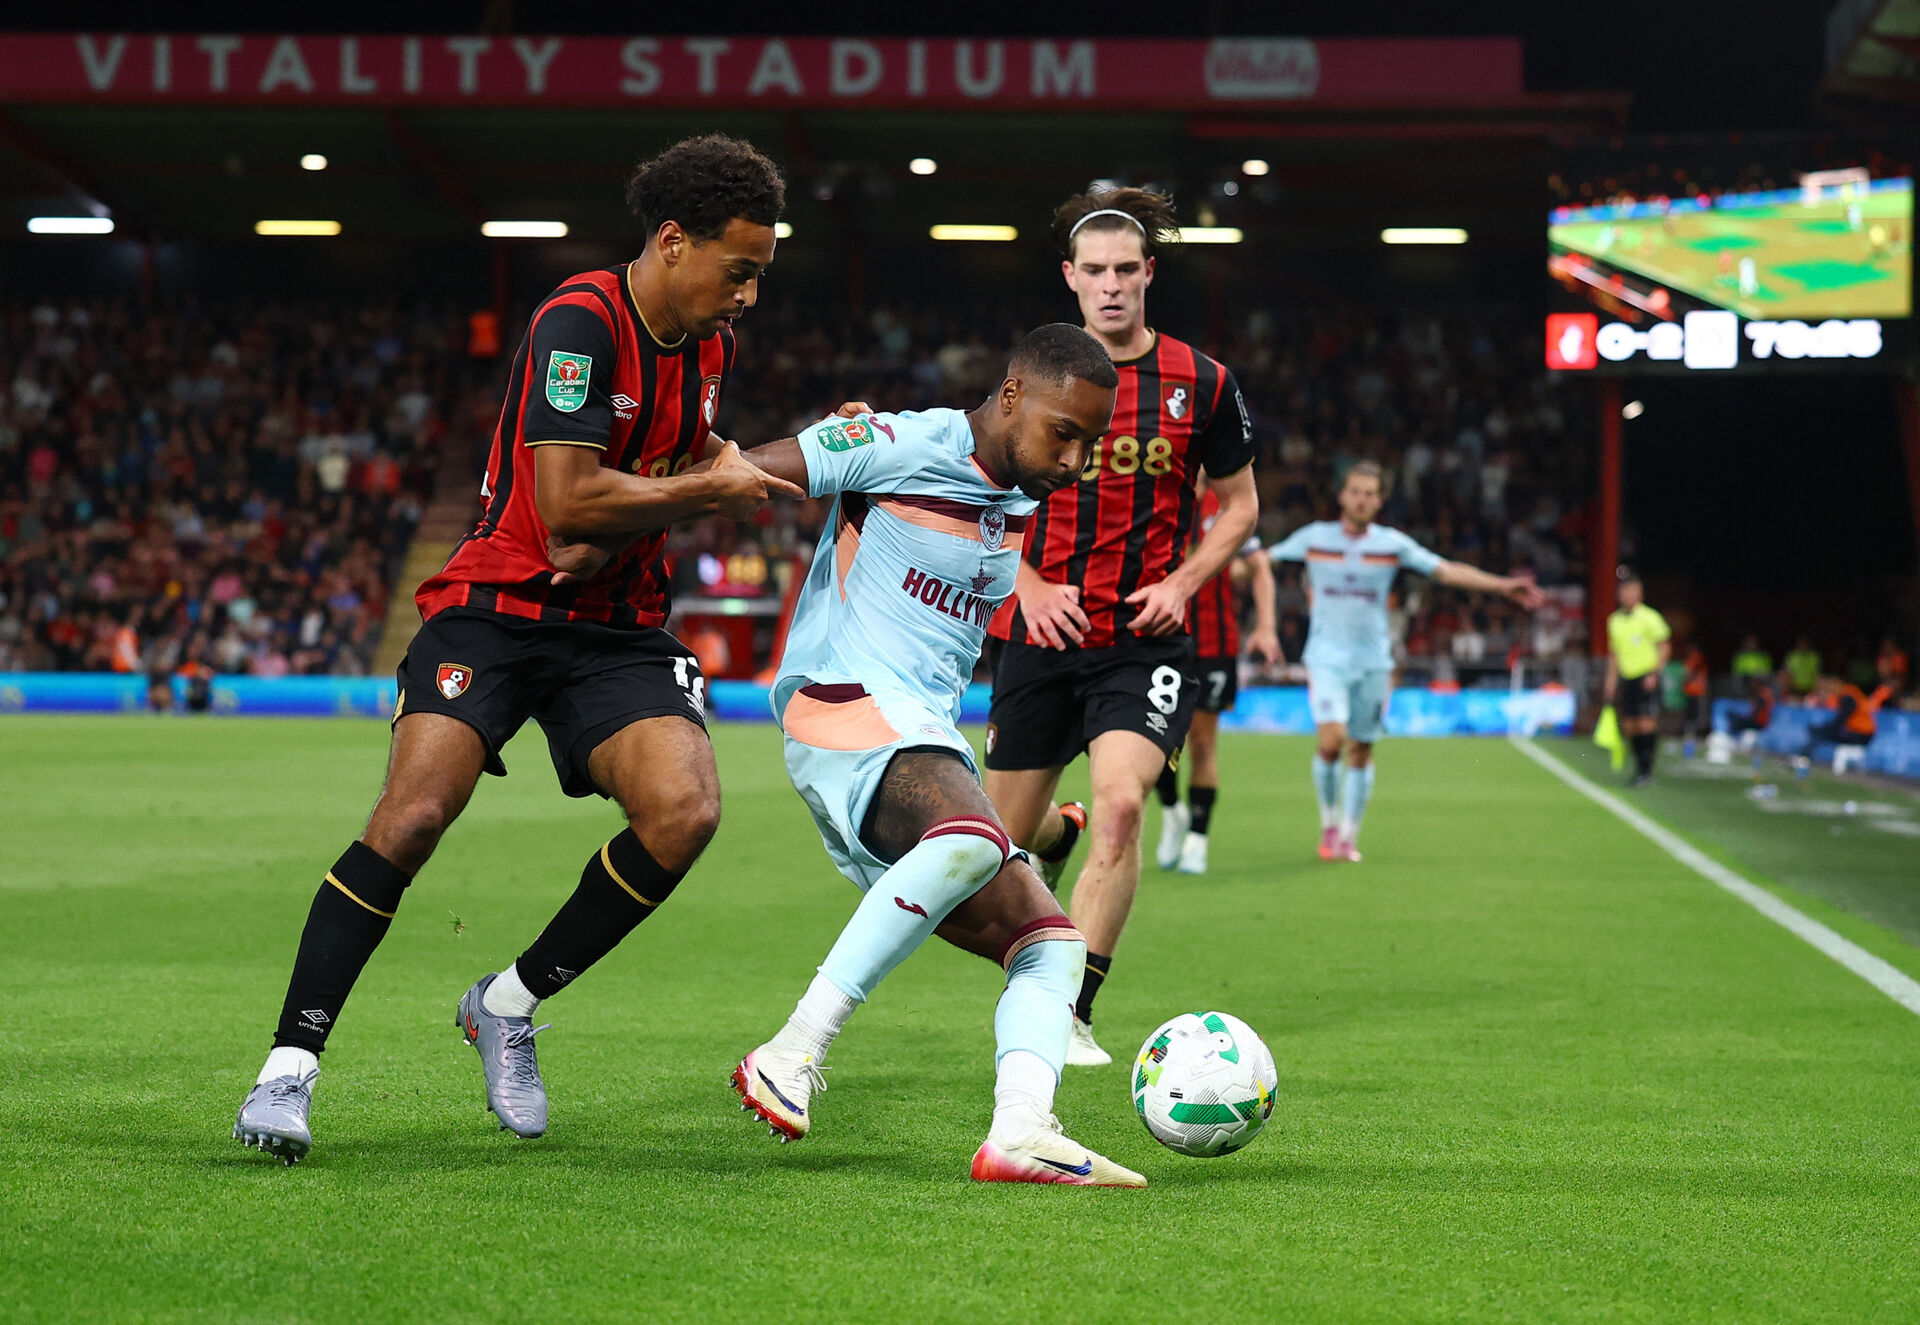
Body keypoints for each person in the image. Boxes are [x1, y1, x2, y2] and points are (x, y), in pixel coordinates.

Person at [233, 134, 811, 1165]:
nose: (749, 296)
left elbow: (668, 480)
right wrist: (697, 490)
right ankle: (289, 1066)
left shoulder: (710, 347)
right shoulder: (578, 319)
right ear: (673, 242)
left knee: (686, 811)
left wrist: (762, 464)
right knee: (412, 816)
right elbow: (570, 508)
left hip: (616, 623)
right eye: (741, 270)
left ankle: (505, 1001)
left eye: (760, 274)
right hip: (498, 605)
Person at [730, 325, 1145, 1185]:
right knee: (974, 838)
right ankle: (791, 1050)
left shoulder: (1020, 496)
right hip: (838, 702)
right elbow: (745, 471)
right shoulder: (899, 442)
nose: (1075, 460)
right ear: (1011, 395)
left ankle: (1022, 1127)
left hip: (916, 734)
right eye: (1063, 433)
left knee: (1052, 942)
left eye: (1090, 443)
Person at [982, 187, 1260, 1067]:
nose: (1110, 286)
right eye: (1092, 271)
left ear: (1149, 274)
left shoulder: (1202, 382)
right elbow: (975, 501)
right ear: (1069, 278)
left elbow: (1240, 507)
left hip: (1142, 644)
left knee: (1126, 804)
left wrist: (1183, 581)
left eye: (1124, 271)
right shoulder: (1028, 380)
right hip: (1042, 637)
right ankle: (1050, 835)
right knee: (990, 856)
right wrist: (1024, 582)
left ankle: (1073, 1008)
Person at [1268, 462, 1544, 857]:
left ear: (1379, 501)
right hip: (1326, 658)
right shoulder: (1314, 538)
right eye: (1355, 491)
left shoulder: (1391, 544)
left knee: (1361, 749)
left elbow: (1445, 571)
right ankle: (1329, 824)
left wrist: (1502, 585)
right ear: (1342, 496)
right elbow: (1262, 561)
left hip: (1375, 660)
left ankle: (1349, 833)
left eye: (1370, 493)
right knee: (1331, 742)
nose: (1362, 499)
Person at [1154, 486, 1280, 875]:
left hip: (1213, 642)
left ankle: (1198, 838)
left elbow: (1258, 566)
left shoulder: (1227, 504)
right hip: (1156, 637)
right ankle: (1173, 812)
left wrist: (1266, 626)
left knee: (1203, 743)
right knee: (1154, 744)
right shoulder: (1155, 493)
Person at [1604, 570, 1670, 787]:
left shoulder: (1650, 617)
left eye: (1633, 591)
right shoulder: (1614, 621)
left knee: (1646, 723)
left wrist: (1654, 673)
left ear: (1640, 593)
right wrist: (1611, 681)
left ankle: (1646, 769)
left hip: (1645, 676)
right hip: (1627, 677)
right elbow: (1614, 655)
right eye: (1625, 591)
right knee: (1629, 725)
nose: (1629, 595)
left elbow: (1664, 647)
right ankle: (1639, 768)